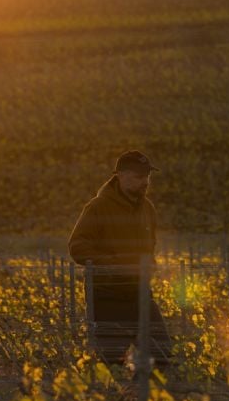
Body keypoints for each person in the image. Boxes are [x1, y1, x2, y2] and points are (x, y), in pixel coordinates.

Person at [68, 150, 171, 366]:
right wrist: (113, 265)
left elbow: (149, 246)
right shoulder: (97, 207)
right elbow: (77, 247)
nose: (144, 182)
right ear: (121, 176)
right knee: (112, 362)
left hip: (140, 293)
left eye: (147, 177)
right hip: (108, 297)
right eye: (138, 177)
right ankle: (118, 399)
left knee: (162, 355)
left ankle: (146, 398)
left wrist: (148, 265)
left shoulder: (148, 209)